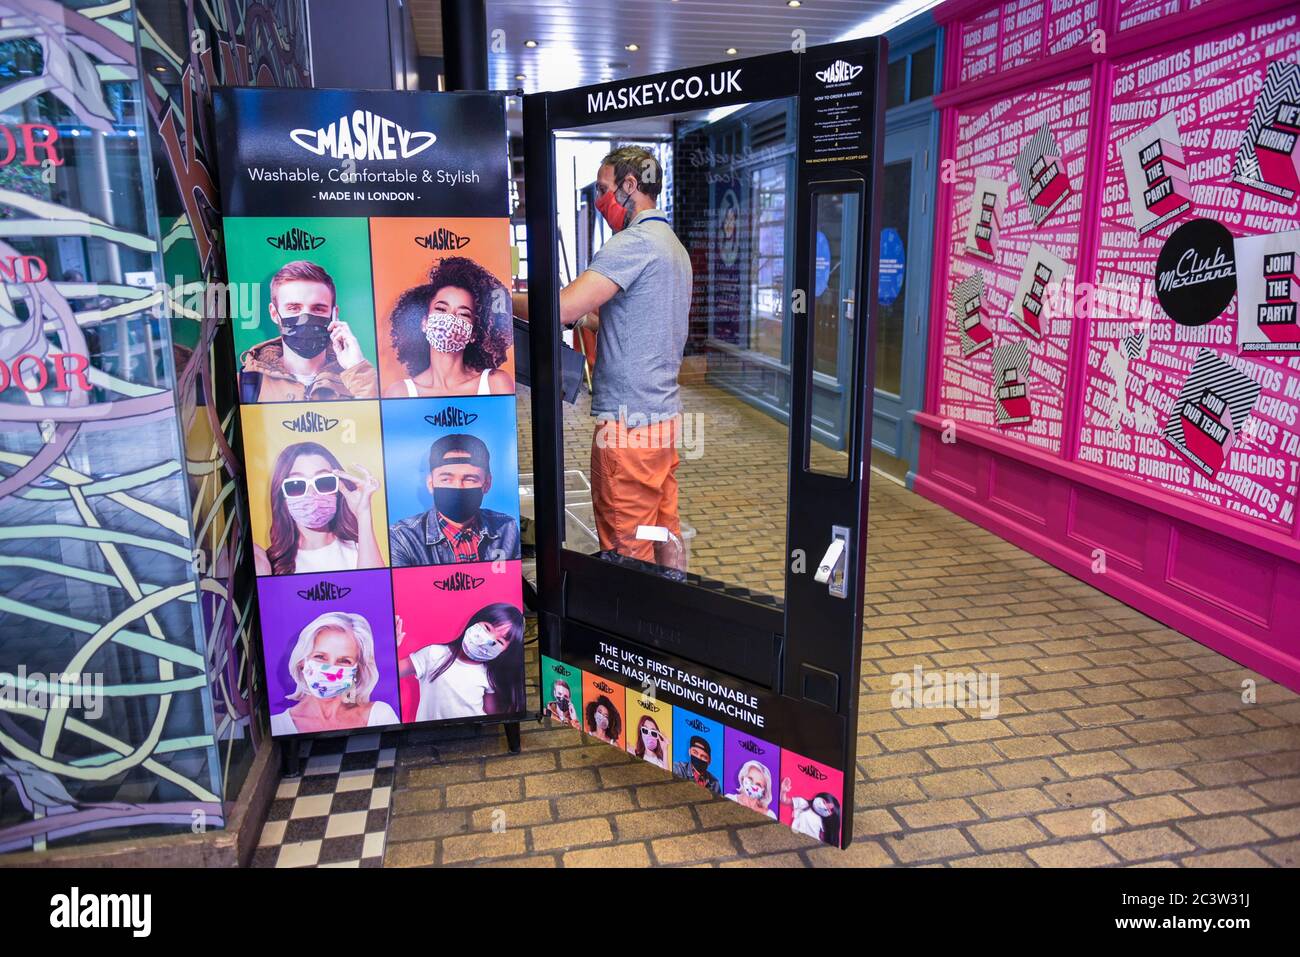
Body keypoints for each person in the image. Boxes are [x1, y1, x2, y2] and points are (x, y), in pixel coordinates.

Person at [558, 145, 692, 565]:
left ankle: (636, 628)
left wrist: (505, 298)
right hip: (663, 420)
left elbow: (561, 308)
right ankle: (672, 611)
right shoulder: (673, 247)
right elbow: (643, 320)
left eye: (603, 189)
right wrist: (595, 323)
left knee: (625, 548)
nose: (600, 201)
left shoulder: (631, 244)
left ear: (629, 186)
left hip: (628, 430)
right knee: (662, 529)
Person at [240, 260, 377, 402]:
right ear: (274, 314)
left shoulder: (357, 381)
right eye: (293, 308)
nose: (305, 318)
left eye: (318, 308)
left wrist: (357, 369)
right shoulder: (245, 383)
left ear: (334, 315)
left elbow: (372, 422)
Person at [384, 257, 514, 397]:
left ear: (473, 334)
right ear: (424, 322)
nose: (450, 318)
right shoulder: (400, 393)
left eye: (463, 314)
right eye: (441, 309)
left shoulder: (495, 384)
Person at [388, 433, 520, 567]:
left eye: (469, 479)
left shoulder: (507, 528)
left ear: (487, 484)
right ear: (430, 483)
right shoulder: (403, 537)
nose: (458, 487)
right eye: (446, 479)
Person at [253, 441, 382, 575]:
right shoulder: (270, 564)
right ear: (282, 497)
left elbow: (377, 591)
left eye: (323, 482)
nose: (311, 493)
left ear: (339, 490)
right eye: (296, 485)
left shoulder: (361, 552)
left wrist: (363, 514)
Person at [271, 612, 398, 735]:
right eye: (320, 657)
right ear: (302, 662)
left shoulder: (380, 716)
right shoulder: (278, 725)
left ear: (357, 670)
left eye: (344, 661)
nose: (330, 668)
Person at [396, 603, 524, 721]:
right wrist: (392, 647)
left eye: (500, 641)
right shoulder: (433, 653)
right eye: (487, 627)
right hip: (427, 735)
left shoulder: (489, 674)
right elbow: (391, 673)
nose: (488, 639)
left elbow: (493, 715)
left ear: (505, 651)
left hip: (470, 736)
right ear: (476, 621)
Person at [780, 778, 841, 845]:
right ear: (821, 797)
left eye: (829, 810)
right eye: (824, 802)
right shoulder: (803, 803)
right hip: (794, 837)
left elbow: (823, 837)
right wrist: (783, 791)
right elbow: (784, 800)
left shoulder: (824, 823)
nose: (823, 806)